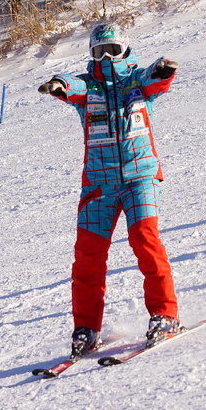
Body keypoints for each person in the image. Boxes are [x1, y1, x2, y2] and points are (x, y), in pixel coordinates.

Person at [37, 23, 182, 357]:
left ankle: (165, 315)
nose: (106, 58)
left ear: (125, 50)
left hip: (139, 177)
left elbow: (153, 78)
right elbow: (72, 85)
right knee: (87, 256)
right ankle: (86, 328)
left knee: (145, 239)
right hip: (98, 185)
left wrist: (163, 69)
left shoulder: (136, 82)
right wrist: (59, 84)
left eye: (112, 50)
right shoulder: (88, 88)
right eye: (99, 52)